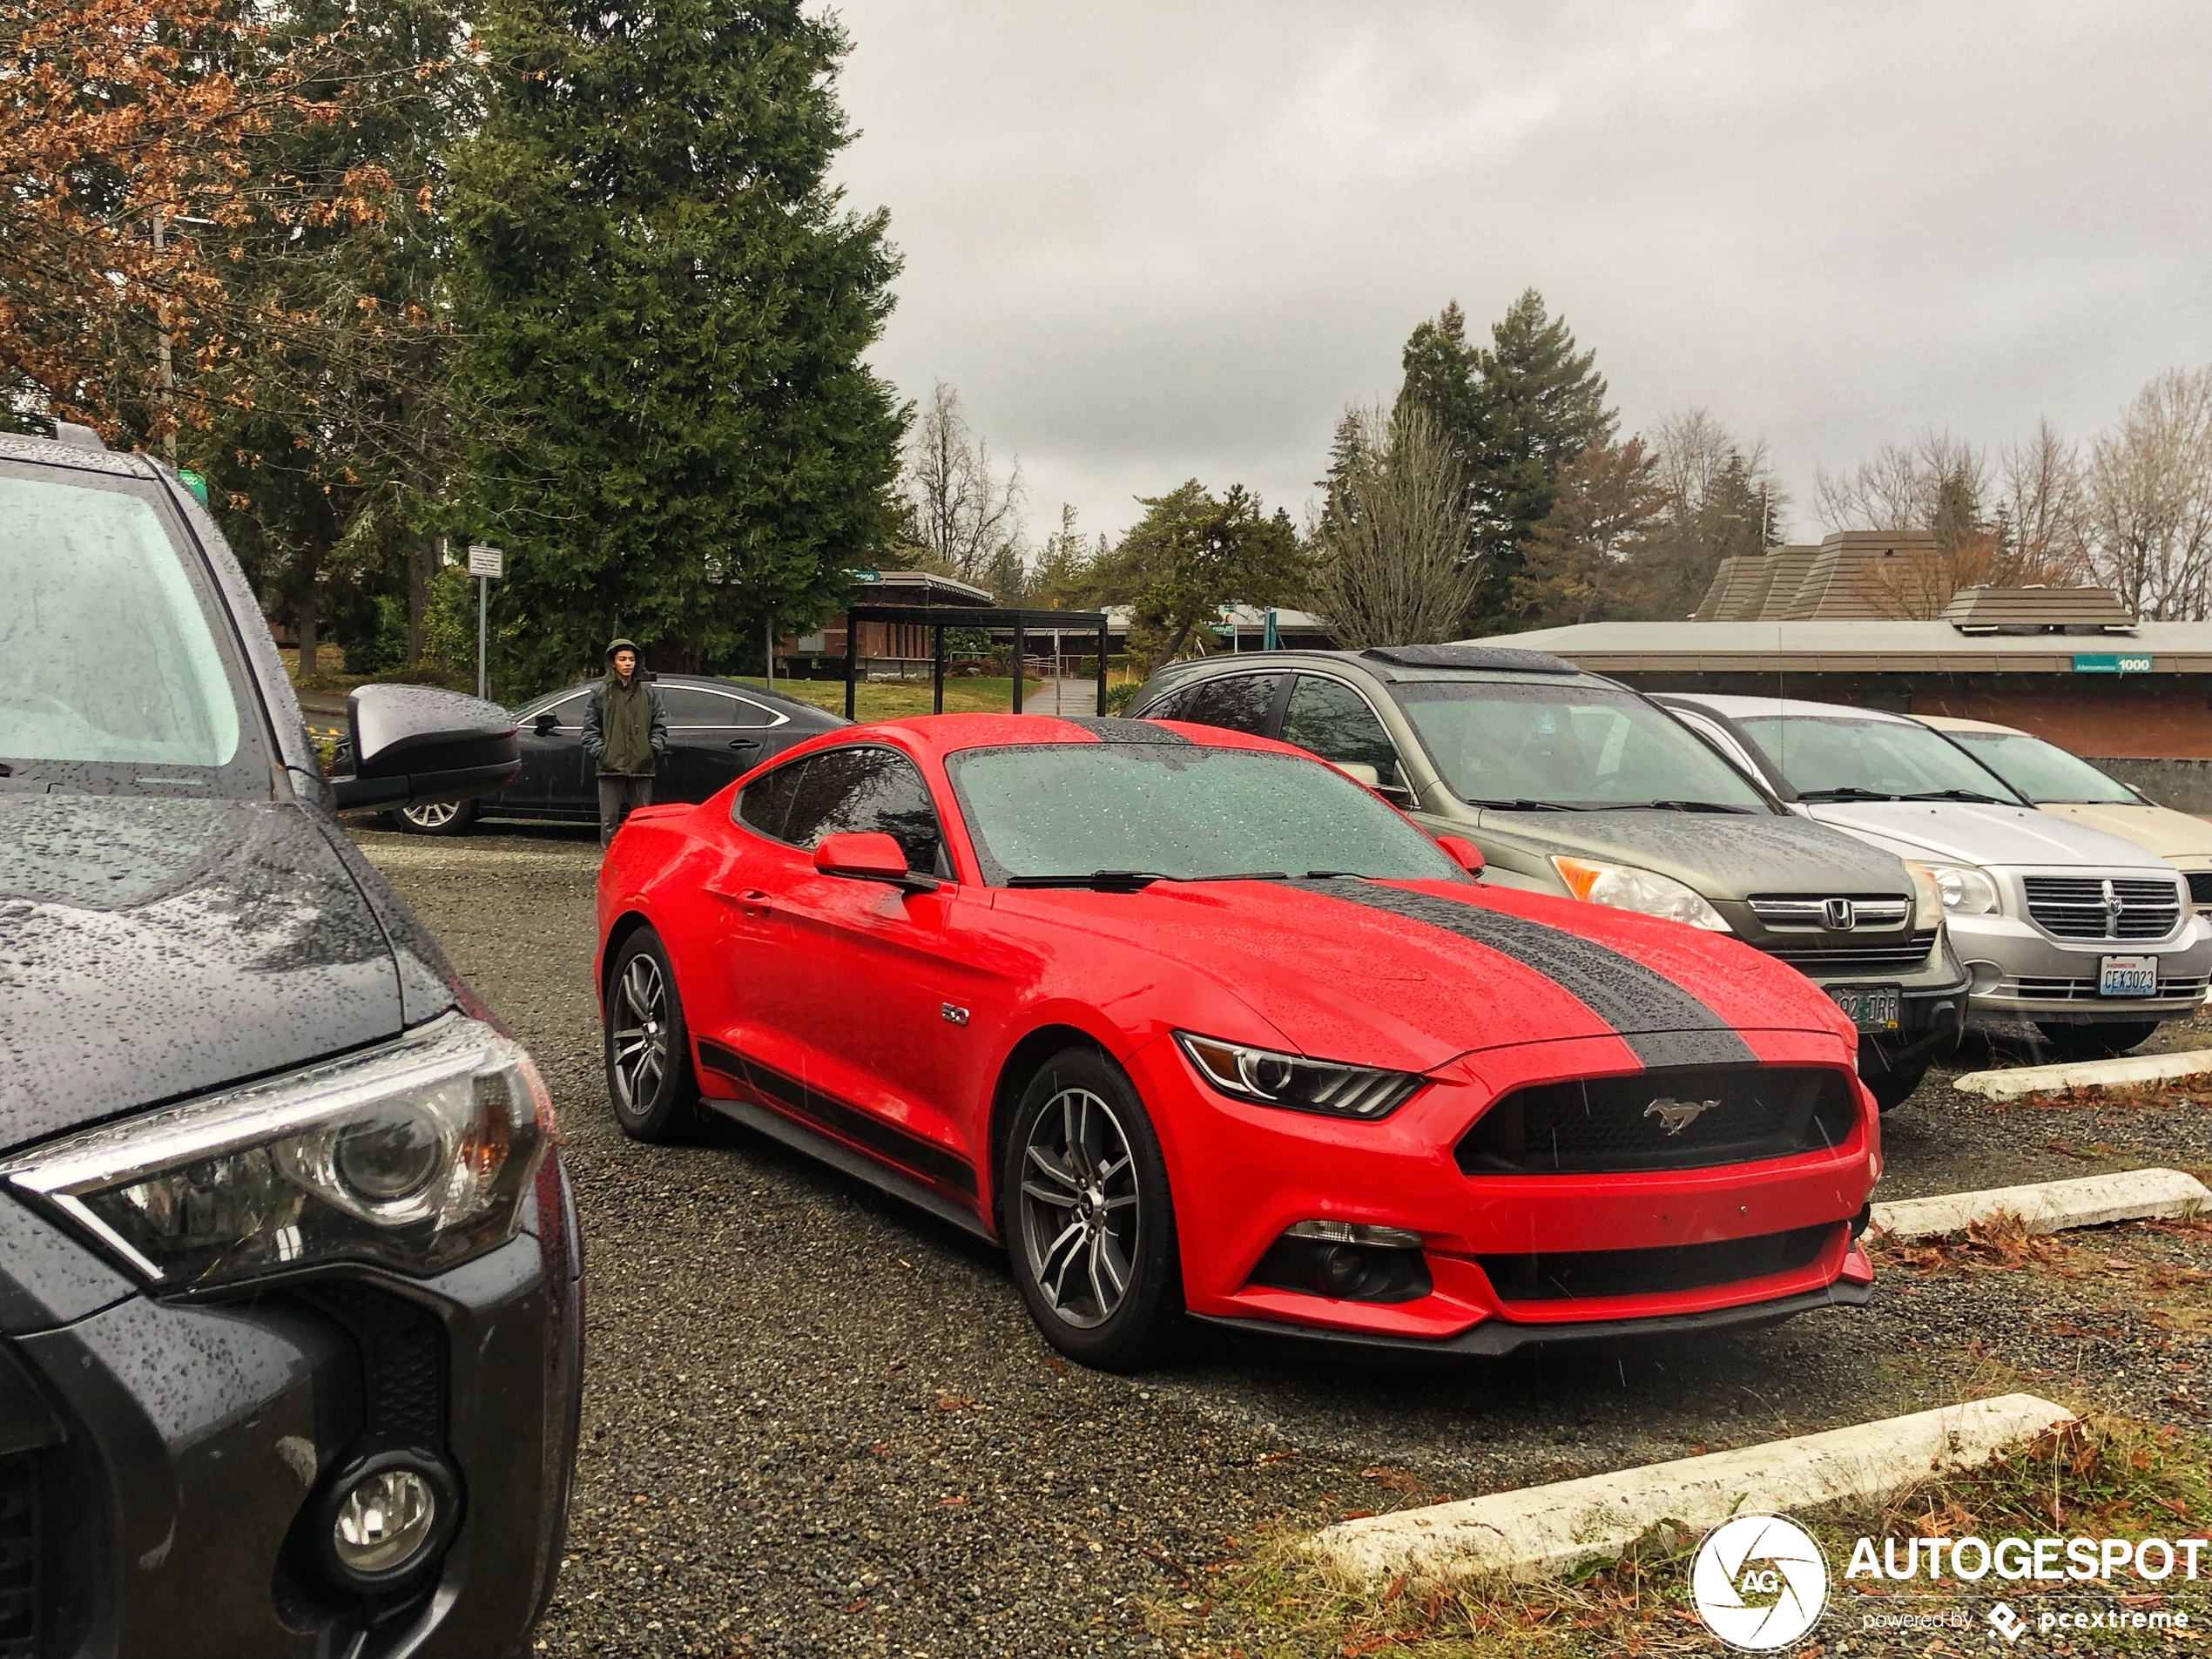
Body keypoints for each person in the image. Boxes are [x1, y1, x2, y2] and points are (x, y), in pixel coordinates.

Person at [581, 637, 667, 846]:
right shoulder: (601, 693)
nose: (628, 663)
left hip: (642, 768)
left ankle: (641, 860)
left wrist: (651, 749)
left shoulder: (648, 693)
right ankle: (610, 861)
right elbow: (589, 731)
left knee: (643, 821)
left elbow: (660, 726)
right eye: (622, 659)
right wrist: (604, 753)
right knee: (609, 822)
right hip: (610, 768)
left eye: (631, 659)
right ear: (613, 663)